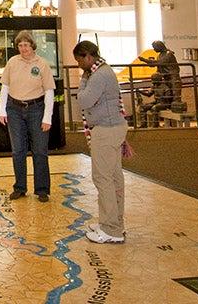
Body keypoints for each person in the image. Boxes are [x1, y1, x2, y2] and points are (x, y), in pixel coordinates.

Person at [74, 40, 128, 244]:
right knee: (114, 178)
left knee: (103, 179)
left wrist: (83, 80)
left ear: (88, 57)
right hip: (112, 128)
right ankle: (115, 223)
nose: (79, 65)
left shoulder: (99, 75)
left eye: (79, 61)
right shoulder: (102, 71)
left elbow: (84, 100)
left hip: (106, 131)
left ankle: (110, 229)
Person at [0, 30, 55, 202]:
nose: (23, 48)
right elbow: (5, 87)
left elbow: (49, 91)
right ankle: (20, 187)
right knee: (18, 151)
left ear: (32, 46)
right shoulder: (12, 62)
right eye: (20, 45)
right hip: (14, 109)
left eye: (26, 45)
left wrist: (47, 117)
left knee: (40, 150)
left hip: (36, 109)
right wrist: (2, 110)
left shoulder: (42, 64)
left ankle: (42, 189)